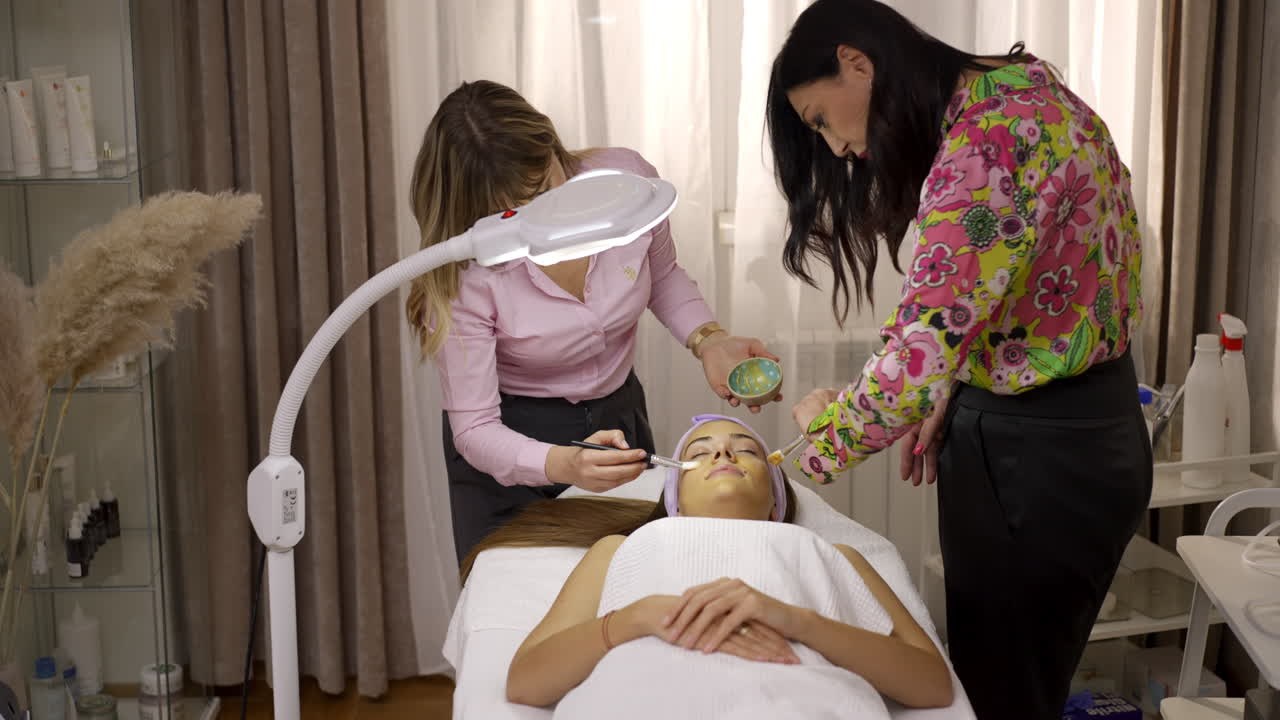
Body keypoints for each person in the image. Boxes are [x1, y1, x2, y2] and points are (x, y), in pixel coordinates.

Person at [767, 1, 1152, 717]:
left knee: (1000, 695)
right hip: (1091, 433)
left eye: (821, 119)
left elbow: (913, 362)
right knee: (1019, 682)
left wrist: (796, 459)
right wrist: (956, 388)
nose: (836, 149)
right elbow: (1019, 288)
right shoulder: (1024, 91)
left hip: (1037, 460)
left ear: (857, 63)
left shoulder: (984, 150)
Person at [406, 81, 778, 565]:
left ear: (553, 148)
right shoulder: (465, 271)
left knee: (633, 582)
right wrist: (562, 462)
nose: (541, 214)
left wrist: (710, 340)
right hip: (511, 440)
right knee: (518, 614)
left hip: (617, 415)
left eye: (544, 187)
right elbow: (475, 428)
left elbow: (660, 274)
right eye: (514, 207)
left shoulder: (625, 185)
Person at [468, 415, 954, 717]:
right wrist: (639, 617)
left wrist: (793, 619)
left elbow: (932, 687)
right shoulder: (623, 547)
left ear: (775, 501)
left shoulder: (830, 553)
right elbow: (526, 682)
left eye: (746, 450)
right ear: (674, 503)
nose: (723, 452)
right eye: (699, 454)